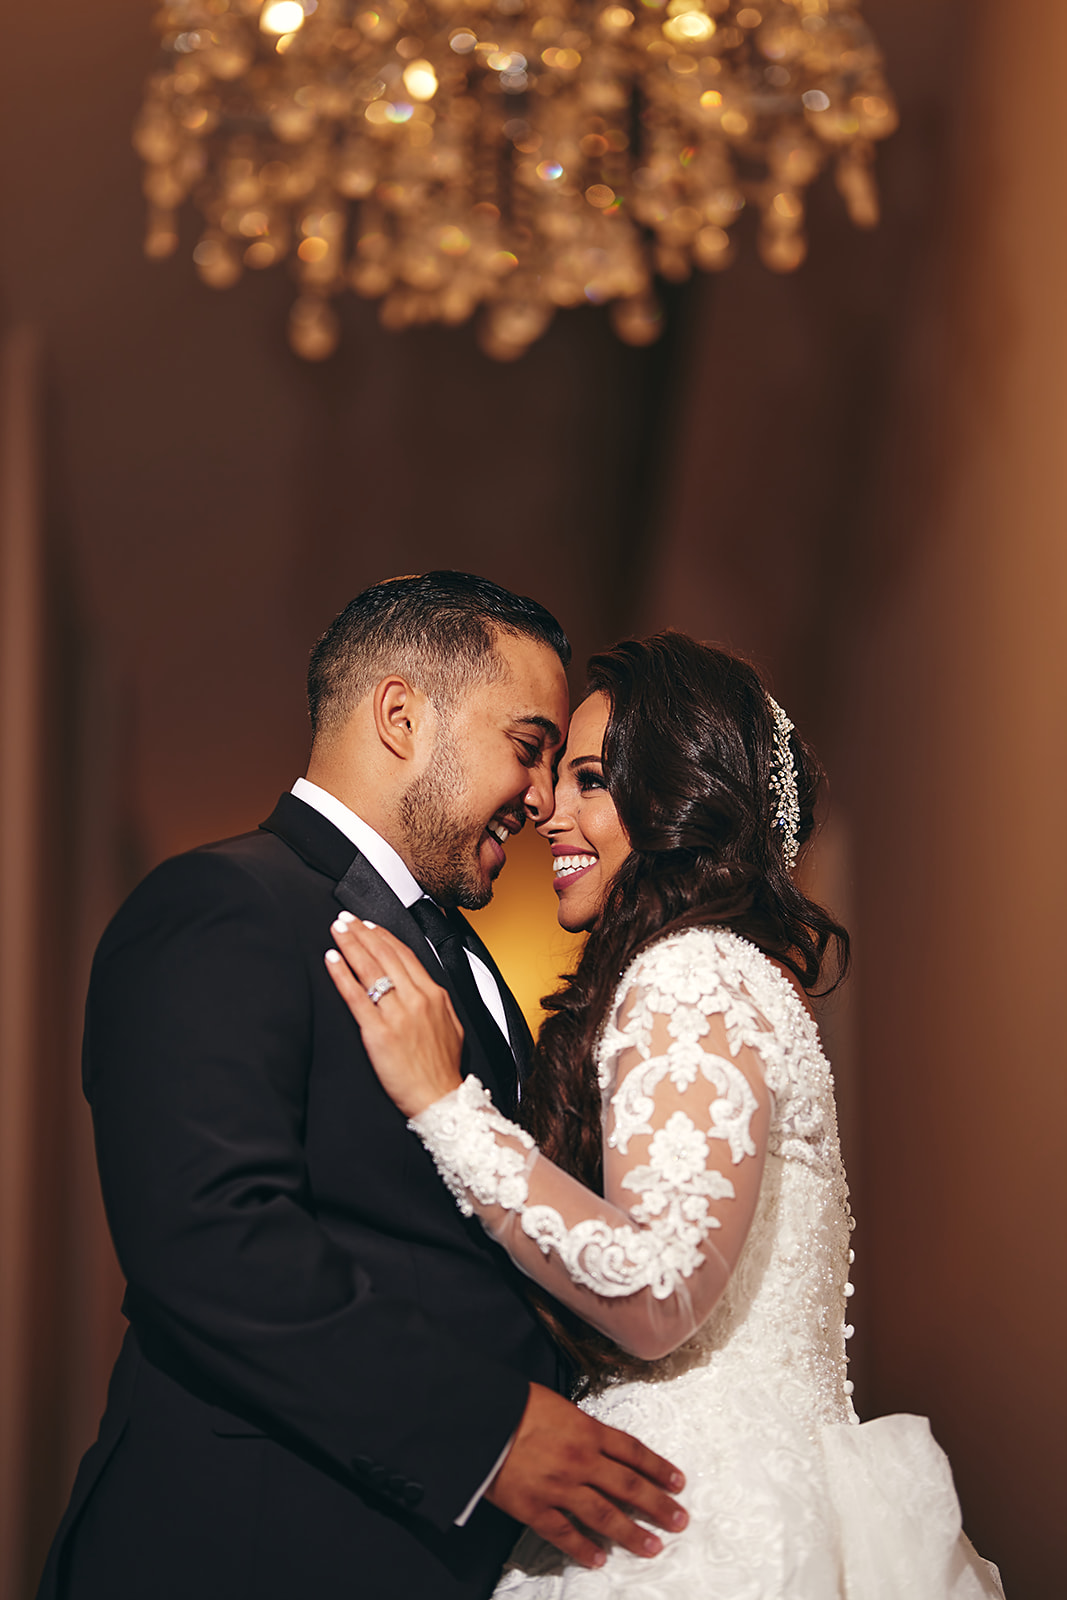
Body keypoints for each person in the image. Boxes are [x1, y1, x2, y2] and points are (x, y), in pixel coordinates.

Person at [36, 574, 688, 1600]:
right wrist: (486, 1432)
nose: (540, 797)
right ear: (399, 716)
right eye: (527, 746)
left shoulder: (471, 962)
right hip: (247, 1547)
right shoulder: (222, 905)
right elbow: (208, 1235)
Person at [326, 631, 1006, 1599]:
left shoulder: (688, 974)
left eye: (592, 781)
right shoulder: (733, 973)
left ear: (678, 800)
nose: (550, 812)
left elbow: (656, 1286)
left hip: (701, 1525)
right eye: (558, 777)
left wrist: (445, 1107)